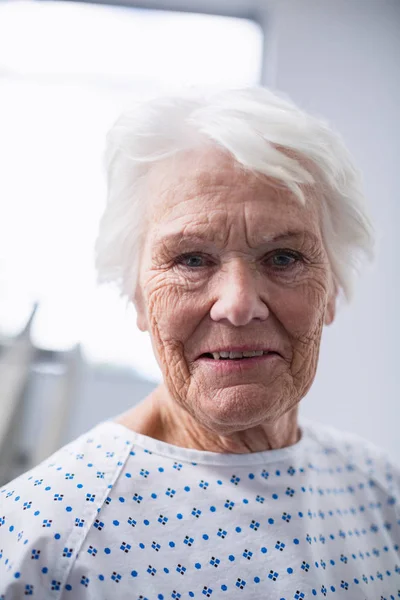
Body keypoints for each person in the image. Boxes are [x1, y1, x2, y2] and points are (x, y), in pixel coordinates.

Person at [1, 87, 399, 600]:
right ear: (140, 297)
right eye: (191, 259)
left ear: (333, 290)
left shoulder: (380, 492)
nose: (237, 304)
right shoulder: (39, 541)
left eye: (283, 258)